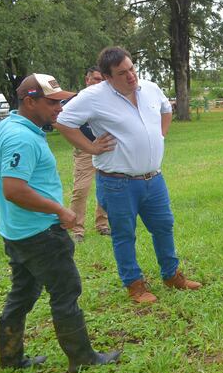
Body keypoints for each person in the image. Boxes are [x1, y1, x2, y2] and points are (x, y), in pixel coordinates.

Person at [0, 73, 120, 373]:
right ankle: (83, 359)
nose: (59, 108)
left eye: (61, 101)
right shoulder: (20, 136)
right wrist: (60, 211)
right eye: (51, 102)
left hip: (16, 232)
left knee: (22, 294)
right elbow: (14, 189)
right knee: (66, 291)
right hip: (40, 233)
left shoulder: (7, 126)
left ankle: (10, 360)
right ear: (29, 101)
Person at [55, 46, 202, 304]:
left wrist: (160, 135)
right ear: (108, 77)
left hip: (153, 178)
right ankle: (134, 285)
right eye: (123, 73)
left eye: (132, 68)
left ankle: (172, 275)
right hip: (117, 182)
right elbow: (63, 121)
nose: (131, 76)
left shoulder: (150, 88)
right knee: (124, 234)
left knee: (164, 226)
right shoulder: (93, 97)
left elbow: (166, 109)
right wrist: (89, 147)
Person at [68, 67, 110, 243]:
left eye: (102, 80)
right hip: (85, 151)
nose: (99, 83)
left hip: (106, 149)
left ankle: (103, 224)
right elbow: (65, 123)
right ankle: (77, 229)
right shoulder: (78, 101)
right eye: (96, 79)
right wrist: (85, 145)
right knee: (81, 189)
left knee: (106, 188)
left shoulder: (108, 100)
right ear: (87, 80)